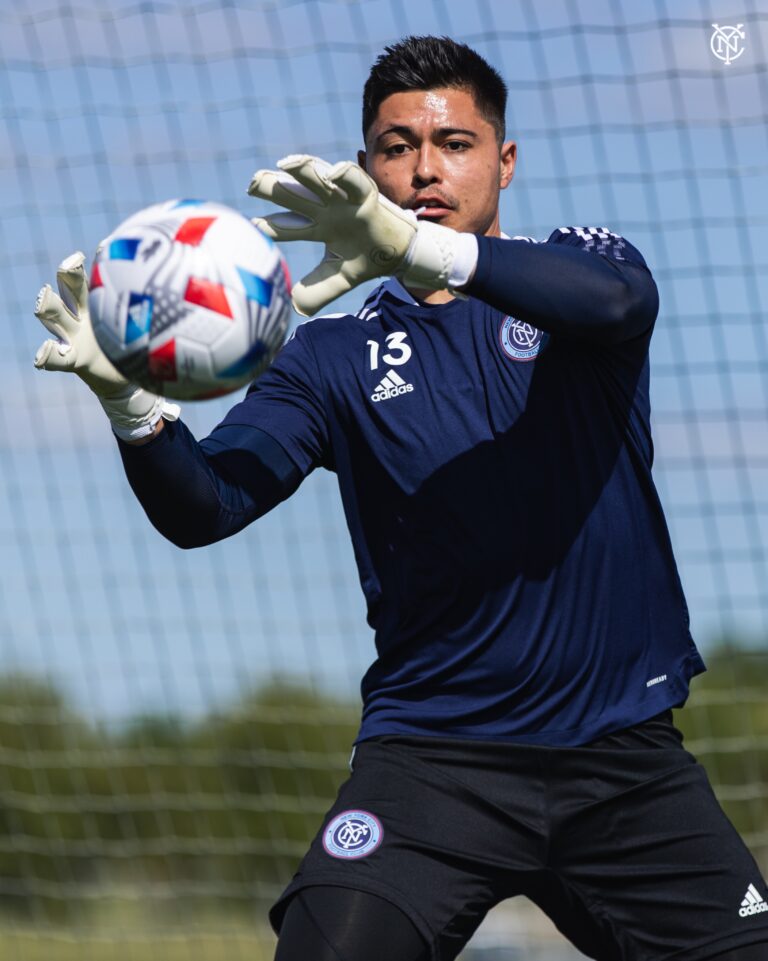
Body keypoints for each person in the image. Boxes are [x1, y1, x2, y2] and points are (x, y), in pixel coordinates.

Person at [33, 34, 768, 961]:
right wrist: (135, 410)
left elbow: (617, 305)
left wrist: (428, 251)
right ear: (366, 167)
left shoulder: (584, 268)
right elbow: (207, 507)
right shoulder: (328, 357)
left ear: (504, 161)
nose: (425, 166)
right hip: (433, 764)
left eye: (455, 143)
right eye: (395, 146)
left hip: (620, 758)